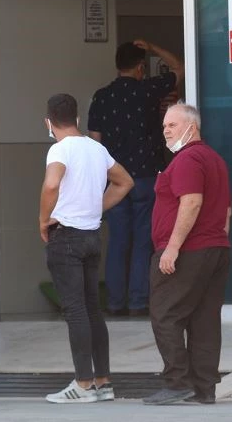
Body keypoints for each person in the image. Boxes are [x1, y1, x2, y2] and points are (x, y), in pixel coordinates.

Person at [40, 93, 134, 403]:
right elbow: (125, 182)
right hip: (93, 236)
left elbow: (52, 184)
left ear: (49, 123)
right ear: (78, 120)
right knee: (93, 310)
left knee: (75, 311)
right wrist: (97, 207)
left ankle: (82, 384)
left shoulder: (59, 149)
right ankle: (103, 382)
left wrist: (43, 220)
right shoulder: (97, 149)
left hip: (66, 236)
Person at [143, 103, 232, 406]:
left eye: (173, 125)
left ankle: (177, 382)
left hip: (189, 251)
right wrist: (216, 241)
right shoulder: (214, 159)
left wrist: (173, 247)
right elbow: (227, 210)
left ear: (192, 127)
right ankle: (203, 388)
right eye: (165, 125)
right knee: (204, 320)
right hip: (215, 248)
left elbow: (191, 202)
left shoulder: (188, 159)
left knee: (165, 315)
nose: (166, 131)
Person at [88, 39, 184, 316]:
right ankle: (140, 301)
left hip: (115, 180)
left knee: (117, 240)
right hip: (145, 177)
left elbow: (95, 141)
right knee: (144, 240)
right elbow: (179, 67)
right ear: (141, 67)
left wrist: (102, 182)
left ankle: (116, 302)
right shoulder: (149, 89)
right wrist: (154, 47)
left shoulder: (102, 96)